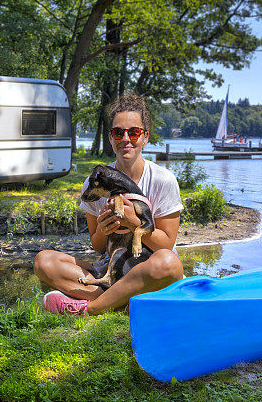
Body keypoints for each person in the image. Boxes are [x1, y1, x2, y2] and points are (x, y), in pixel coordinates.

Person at [33, 93, 184, 315]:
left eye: (134, 132)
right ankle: (119, 298)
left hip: (148, 265)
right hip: (112, 265)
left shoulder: (163, 180)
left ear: (145, 137)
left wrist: (134, 222)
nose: (126, 138)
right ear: (111, 138)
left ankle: (89, 307)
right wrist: (104, 230)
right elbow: (98, 247)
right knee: (43, 261)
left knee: (169, 264)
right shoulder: (94, 183)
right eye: (117, 132)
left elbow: (166, 245)